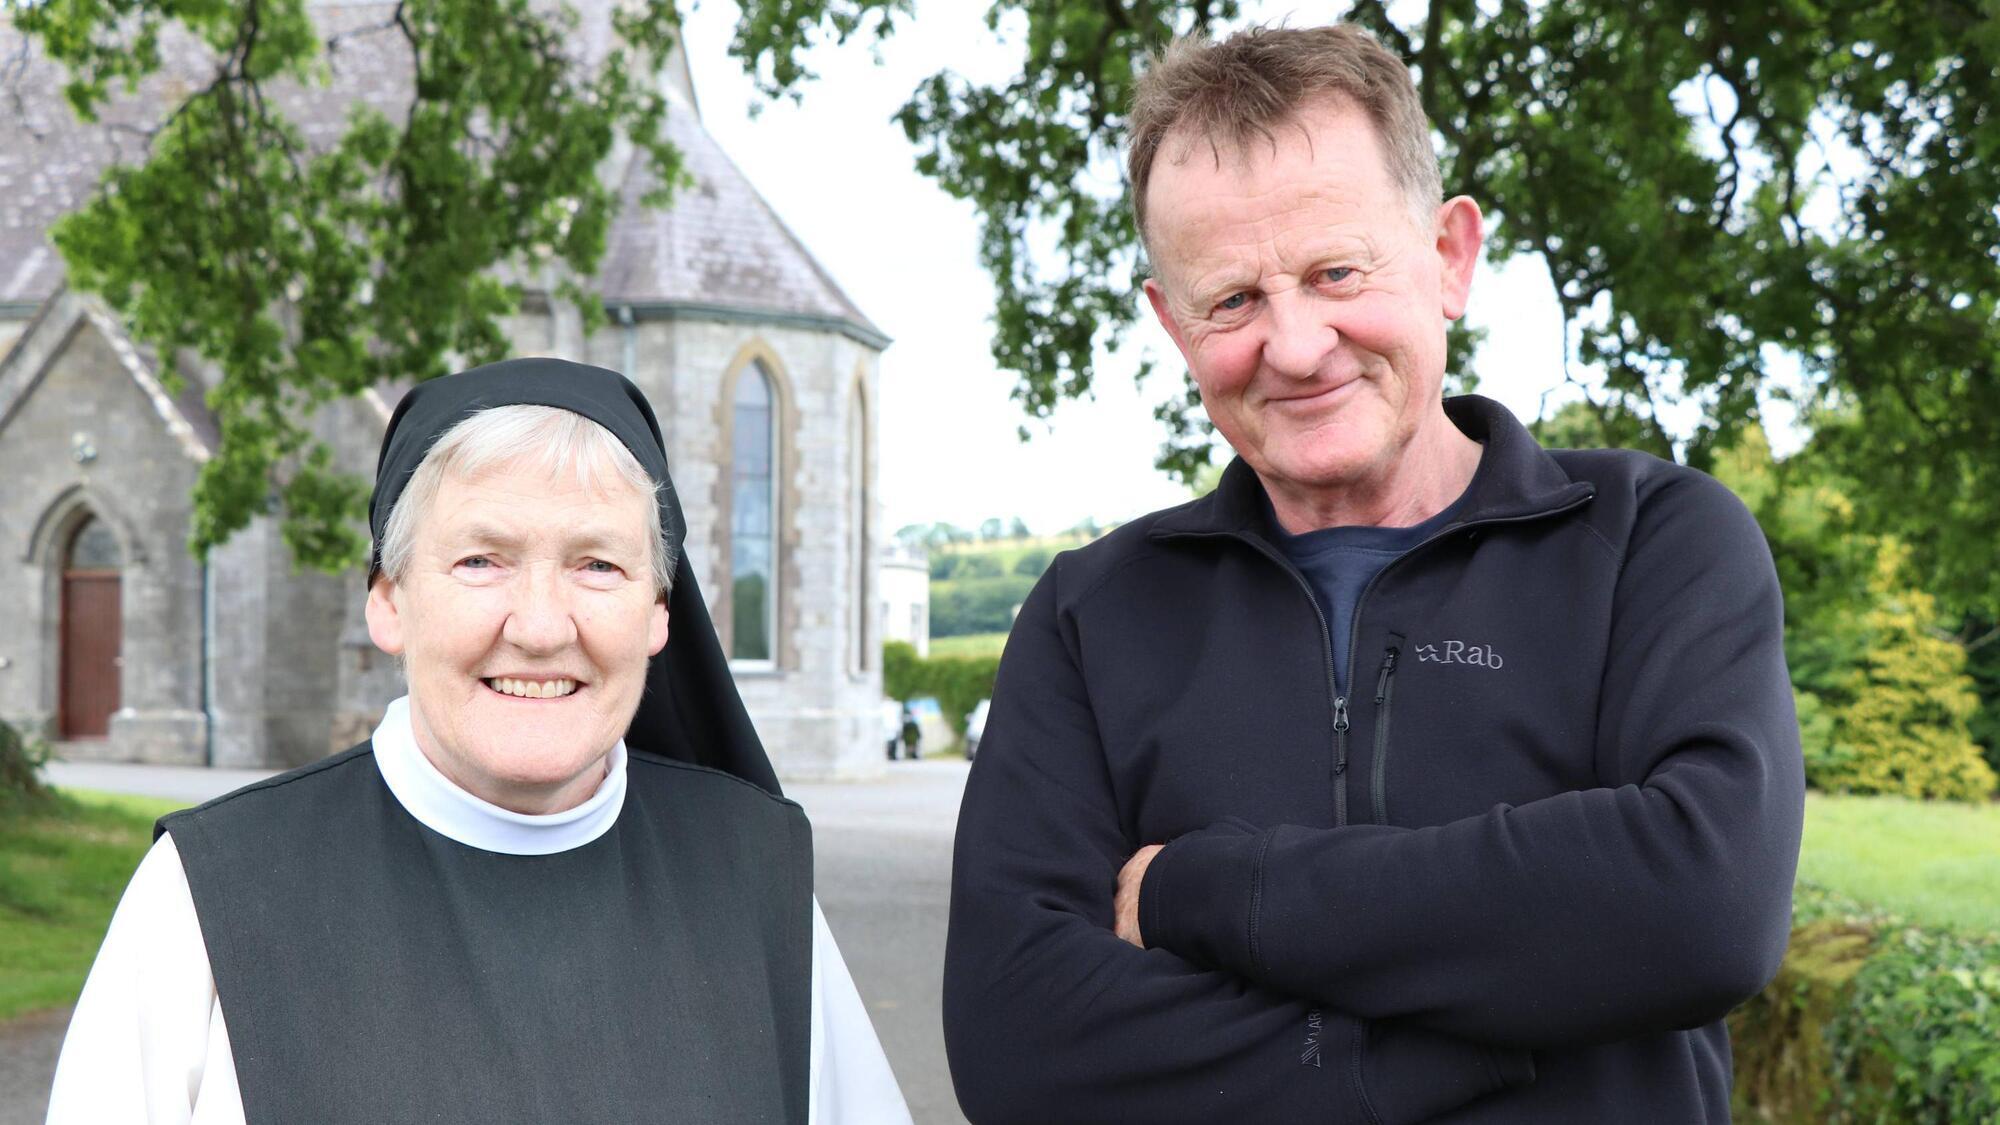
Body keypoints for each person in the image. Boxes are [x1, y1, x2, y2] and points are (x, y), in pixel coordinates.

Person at [943, 24, 1803, 1124]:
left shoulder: (1651, 543)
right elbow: (1018, 1043)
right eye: (1233, 300)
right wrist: (1424, 1055)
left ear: (1449, 257)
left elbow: (1701, 907)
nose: (1297, 346)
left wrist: (1199, 889)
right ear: (1170, 323)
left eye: (1335, 273)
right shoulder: (1090, 615)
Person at [47, 358, 911, 1124]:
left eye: (597, 565)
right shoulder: (210, 892)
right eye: (480, 560)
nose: (540, 626)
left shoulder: (755, 873)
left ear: (658, 612)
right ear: (388, 600)